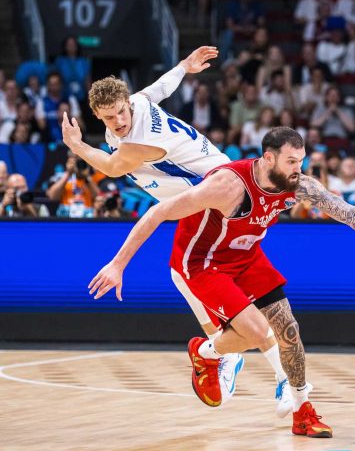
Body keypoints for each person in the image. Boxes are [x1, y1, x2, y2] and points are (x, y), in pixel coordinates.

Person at [88, 127, 355, 437]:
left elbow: (350, 214)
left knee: (289, 329)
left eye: (300, 160)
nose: (298, 169)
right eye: (291, 161)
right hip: (203, 262)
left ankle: (303, 412)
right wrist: (118, 264)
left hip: (246, 256)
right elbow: (159, 212)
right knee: (257, 333)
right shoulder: (228, 186)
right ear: (268, 158)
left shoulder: (297, 185)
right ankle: (205, 352)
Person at [60, 46, 292, 415]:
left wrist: (76, 145)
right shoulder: (137, 102)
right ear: (99, 114)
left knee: (190, 272)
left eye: (121, 112)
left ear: (127, 104)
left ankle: (243, 359)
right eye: (109, 116)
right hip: (218, 189)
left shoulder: (138, 143)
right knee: (185, 274)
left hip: (211, 196)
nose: (118, 121)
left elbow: (112, 167)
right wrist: (184, 66)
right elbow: (159, 88)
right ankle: (233, 352)